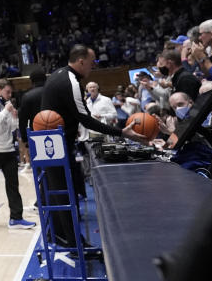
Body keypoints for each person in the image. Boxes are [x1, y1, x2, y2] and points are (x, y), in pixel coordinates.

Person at [40, 45, 147, 247]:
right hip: (57, 144)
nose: (93, 66)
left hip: (50, 143)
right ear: (81, 61)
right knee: (64, 192)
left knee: (58, 192)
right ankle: (72, 242)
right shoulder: (70, 81)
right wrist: (121, 132)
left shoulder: (57, 74)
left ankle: (59, 235)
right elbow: (85, 119)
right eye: (91, 61)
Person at [0, 79, 35, 230]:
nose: (10, 95)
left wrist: (15, 117)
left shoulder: (6, 105)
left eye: (11, 92)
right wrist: (5, 111)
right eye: (7, 92)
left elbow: (11, 128)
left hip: (8, 150)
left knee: (13, 185)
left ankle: (16, 218)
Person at [17, 70, 46, 169]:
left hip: (36, 134)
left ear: (32, 81)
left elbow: (23, 120)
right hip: (55, 132)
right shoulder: (55, 92)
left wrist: (25, 139)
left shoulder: (27, 96)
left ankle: (42, 184)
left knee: (40, 166)